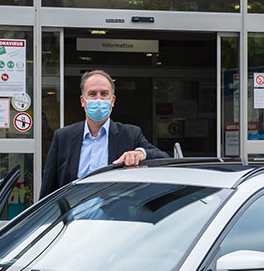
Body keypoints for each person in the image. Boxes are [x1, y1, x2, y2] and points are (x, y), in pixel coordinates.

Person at [40, 69, 168, 198]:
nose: (98, 99)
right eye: (92, 94)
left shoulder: (130, 135)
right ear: (82, 101)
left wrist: (140, 153)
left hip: (114, 215)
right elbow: (48, 189)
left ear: (112, 100)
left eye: (104, 94)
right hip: (73, 215)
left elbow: (164, 159)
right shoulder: (63, 137)